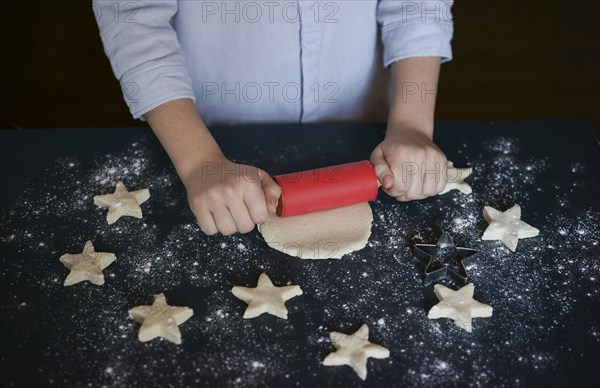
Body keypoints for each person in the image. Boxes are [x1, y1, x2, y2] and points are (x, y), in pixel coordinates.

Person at [94, 0, 454, 236]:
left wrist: (411, 125)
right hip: (210, 133)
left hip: (362, 124)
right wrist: (200, 161)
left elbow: (417, 6)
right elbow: (134, 20)